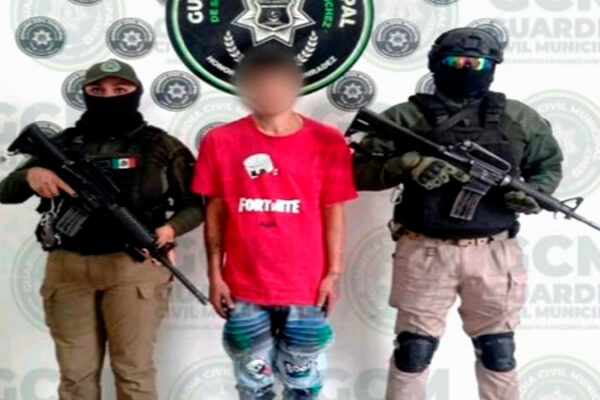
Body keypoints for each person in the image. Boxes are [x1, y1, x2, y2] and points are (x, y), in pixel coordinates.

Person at [352, 28, 563, 400]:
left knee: (498, 350)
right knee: (413, 351)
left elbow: (547, 165)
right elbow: (358, 173)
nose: (466, 68)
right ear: (436, 64)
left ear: (493, 67)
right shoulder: (406, 117)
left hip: (494, 251)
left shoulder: (518, 118)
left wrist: (535, 194)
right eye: (456, 61)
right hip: (425, 249)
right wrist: (408, 164)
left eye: (476, 63)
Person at [0, 59, 203, 400]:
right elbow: (6, 191)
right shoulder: (64, 144)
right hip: (68, 268)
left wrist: (170, 229)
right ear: (85, 94)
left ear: (135, 93)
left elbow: (195, 204)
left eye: (120, 89)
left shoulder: (161, 145)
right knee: (75, 376)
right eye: (97, 90)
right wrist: (32, 175)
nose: (109, 96)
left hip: (134, 266)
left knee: (133, 374)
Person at [191, 44, 357, 399]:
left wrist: (333, 273)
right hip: (243, 287)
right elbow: (215, 212)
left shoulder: (327, 141)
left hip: (306, 288)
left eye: (278, 82)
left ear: (296, 84)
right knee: (253, 385)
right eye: (259, 82)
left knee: (303, 385)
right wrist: (215, 275)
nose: (269, 91)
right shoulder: (220, 141)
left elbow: (334, 210)